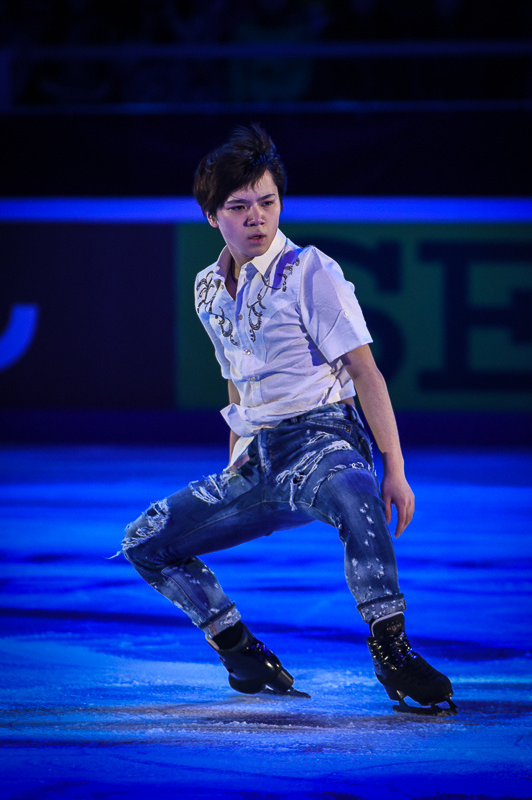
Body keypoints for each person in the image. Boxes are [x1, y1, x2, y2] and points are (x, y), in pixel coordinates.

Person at [122, 124, 456, 715]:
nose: (257, 218)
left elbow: (365, 371)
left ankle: (392, 650)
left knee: (357, 493)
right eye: (239, 207)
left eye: (268, 203)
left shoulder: (310, 271)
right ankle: (239, 649)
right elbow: (236, 379)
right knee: (145, 541)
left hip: (324, 440)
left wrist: (395, 469)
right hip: (258, 455)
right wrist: (234, 460)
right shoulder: (206, 289)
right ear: (211, 215)